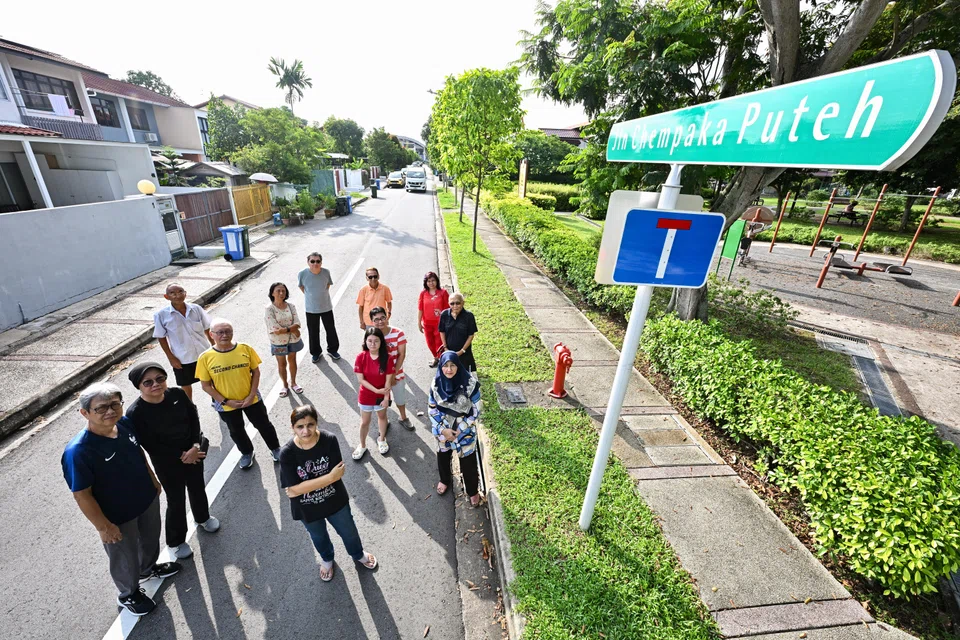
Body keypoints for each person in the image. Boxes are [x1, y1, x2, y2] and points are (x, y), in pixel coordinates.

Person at [62, 382, 181, 617]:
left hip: (145, 499)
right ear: (85, 413)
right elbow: (81, 494)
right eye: (101, 408)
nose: (110, 411)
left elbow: (138, 452)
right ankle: (128, 593)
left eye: (115, 404)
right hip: (116, 515)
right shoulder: (78, 451)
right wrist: (104, 527)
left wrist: (153, 479)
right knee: (124, 556)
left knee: (149, 539)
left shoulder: (124, 424)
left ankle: (148, 568)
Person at [125, 362, 220, 560]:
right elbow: (150, 444)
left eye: (160, 379)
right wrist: (183, 456)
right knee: (176, 500)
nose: (156, 385)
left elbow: (193, 417)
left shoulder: (177, 394)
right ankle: (176, 541)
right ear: (139, 386)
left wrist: (195, 446)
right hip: (167, 463)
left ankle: (203, 517)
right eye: (148, 382)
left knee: (197, 488)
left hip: (193, 452)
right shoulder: (136, 413)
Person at [279, 405, 377, 582]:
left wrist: (303, 487)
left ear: (317, 423)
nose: (306, 430)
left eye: (310, 424)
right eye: (300, 426)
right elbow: (291, 490)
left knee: (349, 533)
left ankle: (358, 553)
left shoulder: (329, 440)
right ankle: (327, 559)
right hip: (308, 509)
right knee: (318, 537)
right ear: (292, 428)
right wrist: (329, 477)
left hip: (335, 501)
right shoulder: (287, 453)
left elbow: (298, 488)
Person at [196, 319, 282, 470]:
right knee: (236, 431)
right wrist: (226, 401)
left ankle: (276, 448)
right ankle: (247, 452)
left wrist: (251, 395)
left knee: (264, 425)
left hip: (252, 398)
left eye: (228, 331)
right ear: (211, 335)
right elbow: (206, 386)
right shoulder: (205, 357)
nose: (225, 335)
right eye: (220, 332)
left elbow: (256, 372)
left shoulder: (245, 348)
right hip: (226, 404)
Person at [428, 352, 482, 506]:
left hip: (465, 433)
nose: (449, 369)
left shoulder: (470, 385)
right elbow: (431, 409)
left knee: (468, 462)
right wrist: (442, 429)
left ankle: (472, 491)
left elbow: (476, 410)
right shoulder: (436, 384)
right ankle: (445, 480)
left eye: (452, 365)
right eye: (445, 365)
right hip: (443, 431)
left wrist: (460, 429)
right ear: (441, 366)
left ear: (458, 366)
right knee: (443, 456)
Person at [153, 283, 214, 401]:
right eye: (173, 293)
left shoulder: (196, 309)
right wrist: (171, 357)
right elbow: (161, 337)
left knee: (211, 381)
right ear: (167, 297)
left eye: (181, 292)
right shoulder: (161, 315)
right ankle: (189, 408)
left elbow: (207, 328)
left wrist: (214, 346)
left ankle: (217, 403)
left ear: (185, 293)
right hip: (182, 358)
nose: (178, 295)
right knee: (185, 385)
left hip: (204, 353)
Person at [352, 327, 395, 459]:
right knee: (365, 422)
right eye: (369, 341)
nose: (372, 344)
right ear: (365, 341)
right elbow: (361, 380)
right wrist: (376, 390)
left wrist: (386, 398)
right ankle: (362, 445)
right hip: (366, 396)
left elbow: (388, 381)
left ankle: (381, 439)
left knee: (382, 417)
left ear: (381, 342)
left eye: (376, 341)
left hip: (382, 395)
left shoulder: (387, 358)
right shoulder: (361, 357)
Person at [370, 306, 412, 430]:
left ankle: (403, 417)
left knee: (400, 398)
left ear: (387, 317)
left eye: (382, 317)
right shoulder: (371, 336)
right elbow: (369, 357)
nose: (380, 321)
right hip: (378, 378)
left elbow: (401, 355)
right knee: (381, 403)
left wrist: (392, 375)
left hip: (397, 374)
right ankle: (384, 422)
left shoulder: (398, 333)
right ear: (372, 321)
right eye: (376, 319)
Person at [297, 252, 341, 362]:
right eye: (312, 261)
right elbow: (302, 287)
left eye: (318, 261)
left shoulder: (326, 272)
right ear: (308, 262)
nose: (315, 263)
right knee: (313, 332)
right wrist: (311, 296)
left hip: (326, 307)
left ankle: (332, 350)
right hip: (311, 309)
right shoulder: (302, 274)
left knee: (330, 330)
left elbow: (327, 285)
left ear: (321, 262)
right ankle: (316, 353)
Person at [265, 282, 305, 398]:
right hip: (278, 342)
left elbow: (297, 323)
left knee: (292, 360)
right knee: (281, 363)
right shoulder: (269, 309)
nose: (281, 293)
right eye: (278, 291)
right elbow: (274, 328)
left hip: (293, 339)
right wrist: (292, 329)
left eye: (283, 291)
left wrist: (286, 329)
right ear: (272, 293)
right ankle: (285, 385)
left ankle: (293, 382)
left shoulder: (291, 306)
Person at [439, 292, 478, 372]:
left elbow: (471, 335)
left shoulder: (469, 316)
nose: (455, 306)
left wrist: (462, 351)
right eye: (452, 303)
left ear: (463, 303)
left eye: (458, 303)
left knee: (465, 375)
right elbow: (442, 331)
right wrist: (445, 348)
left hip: (465, 353)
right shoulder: (444, 314)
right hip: (449, 351)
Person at [418, 272, 450, 367]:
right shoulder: (423, 293)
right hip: (427, 324)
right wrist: (419, 322)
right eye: (429, 281)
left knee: (439, 343)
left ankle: (442, 360)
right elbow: (420, 308)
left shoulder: (443, 293)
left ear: (437, 281)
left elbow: (448, 309)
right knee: (430, 343)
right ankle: (435, 358)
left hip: (440, 324)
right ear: (425, 282)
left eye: (433, 280)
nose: (431, 283)